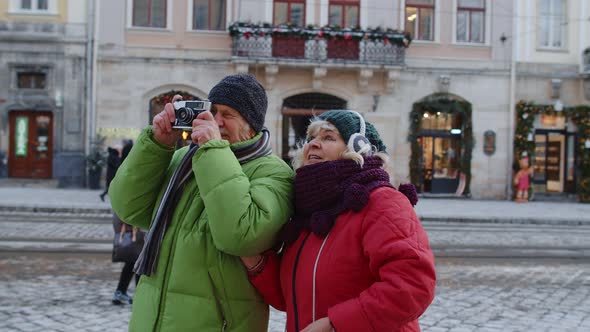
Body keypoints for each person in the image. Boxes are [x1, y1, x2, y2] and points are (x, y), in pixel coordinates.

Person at [108, 74, 294, 331]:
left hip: (218, 323)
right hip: (152, 318)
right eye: (213, 111)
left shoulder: (274, 172)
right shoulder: (185, 159)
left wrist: (213, 149)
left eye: (228, 114)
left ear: (250, 125)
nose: (217, 121)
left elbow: (240, 235)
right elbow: (129, 208)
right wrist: (157, 145)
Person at [241, 110, 436, 332]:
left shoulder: (382, 201)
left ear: (358, 147)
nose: (313, 144)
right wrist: (250, 255)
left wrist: (336, 324)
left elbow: (413, 286)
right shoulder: (307, 211)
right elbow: (290, 298)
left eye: (328, 137)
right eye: (311, 138)